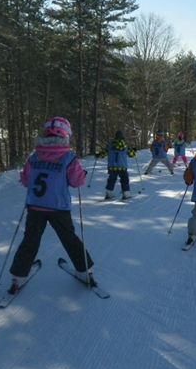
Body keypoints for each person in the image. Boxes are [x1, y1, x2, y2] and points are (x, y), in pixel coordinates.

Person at [8, 116, 96, 293]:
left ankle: (18, 276)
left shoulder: (34, 157)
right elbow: (77, 182)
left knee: (30, 240)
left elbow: (26, 181)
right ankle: (85, 272)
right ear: (66, 135)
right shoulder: (69, 157)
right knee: (69, 239)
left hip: (35, 206)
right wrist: (83, 175)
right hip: (58, 208)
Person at [96, 130, 137, 199]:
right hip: (122, 167)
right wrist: (134, 151)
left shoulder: (110, 146)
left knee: (112, 179)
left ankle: (109, 192)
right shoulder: (125, 146)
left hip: (112, 167)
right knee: (124, 179)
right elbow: (132, 154)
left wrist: (98, 155)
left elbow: (104, 153)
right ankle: (126, 193)